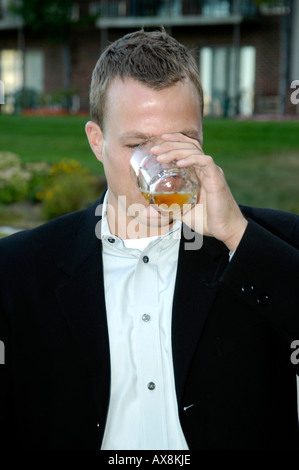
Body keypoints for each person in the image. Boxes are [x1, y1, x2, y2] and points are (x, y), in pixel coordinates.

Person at [0, 28, 299, 451]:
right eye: (139, 143)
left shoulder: (269, 244)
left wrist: (236, 234)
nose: (162, 165)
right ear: (97, 141)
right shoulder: (18, 269)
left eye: (181, 142)